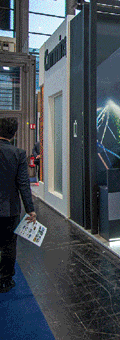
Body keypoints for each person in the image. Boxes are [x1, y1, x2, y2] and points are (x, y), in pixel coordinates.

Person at [0, 117, 37, 293]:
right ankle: (5, 280)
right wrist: (30, 210)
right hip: (9, 209)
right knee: (9, 245)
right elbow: (23, 184)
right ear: (14, 134)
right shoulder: (19, 154)